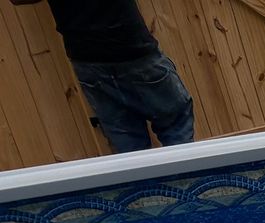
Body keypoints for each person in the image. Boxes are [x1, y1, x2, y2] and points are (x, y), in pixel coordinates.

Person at [9, 0, 194, 152]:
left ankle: (143, 196)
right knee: (176, 125)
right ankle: (186, 189)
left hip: (86, 59)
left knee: (129, 150)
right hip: (132, 49)